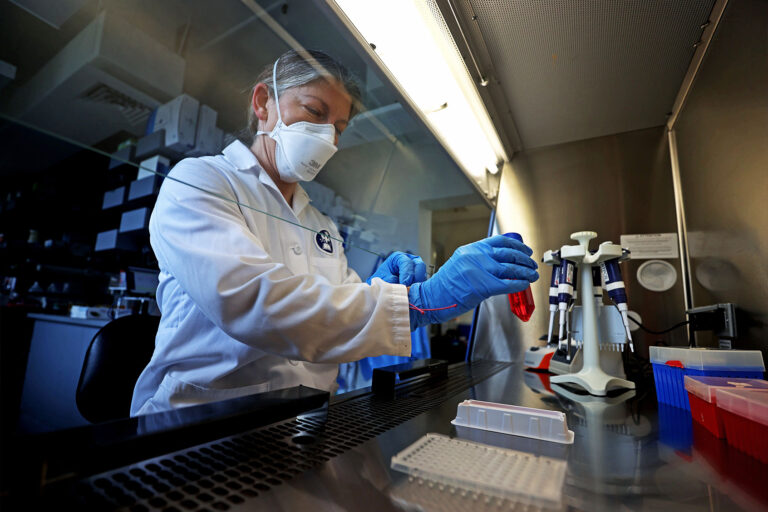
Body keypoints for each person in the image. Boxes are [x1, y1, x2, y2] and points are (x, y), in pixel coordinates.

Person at [130, 49, 538, 416]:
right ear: (263, 102)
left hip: (303, 424)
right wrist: (416, 303)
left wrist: (379, 287)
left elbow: (335, 315)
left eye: (340, 127)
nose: (329, 137)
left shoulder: (320, 225)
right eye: (314, 111)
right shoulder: (199, 182)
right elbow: (255, 302)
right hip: (197, 425)